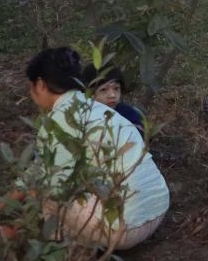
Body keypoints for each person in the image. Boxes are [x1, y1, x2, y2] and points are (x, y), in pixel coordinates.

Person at [21, 47, 168, 250]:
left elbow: (48, 181)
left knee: (47, 193)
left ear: (40, 85)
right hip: (157, 209)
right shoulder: (102, 111)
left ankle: (63, 252)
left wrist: (5, 217)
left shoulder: (60, 118)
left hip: (126, 230)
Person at [81, 62, 145, 135]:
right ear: (89, 93)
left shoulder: (129, 115)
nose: (112, 95)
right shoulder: (81, 116)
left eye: (116, 88)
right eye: (103, 90)